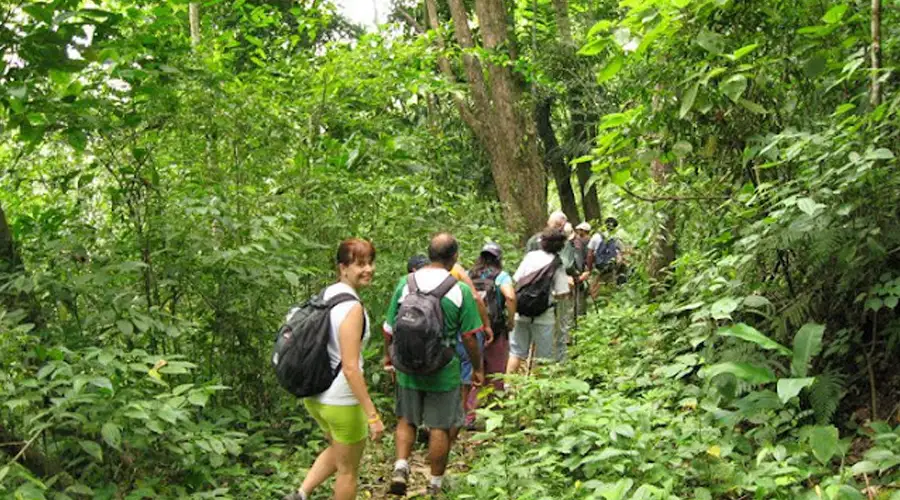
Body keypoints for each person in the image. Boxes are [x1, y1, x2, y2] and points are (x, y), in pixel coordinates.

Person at [384, 233, 484, 496]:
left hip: (407, 367)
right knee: (439, 426)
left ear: (429, 254)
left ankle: (401, 467)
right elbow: (470, 337)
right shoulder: (459, 289)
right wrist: (478, 368)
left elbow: (388, 329)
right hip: (443, 367)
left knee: (406, 419)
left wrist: (390, 358)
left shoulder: (405, 284)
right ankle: (435, 485)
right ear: (454, 258)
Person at [284, 239, 384, 500]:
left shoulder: (325, 296)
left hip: (315, 396)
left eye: (370, 263)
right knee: (347, 471)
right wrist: (372, 415)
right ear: (343, 267)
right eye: (360, 264)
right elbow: (351, 368)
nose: (368, 269)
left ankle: (300, 494)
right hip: (341, 400)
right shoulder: (352, 308)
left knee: (338, 448)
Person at [465, 242, 516, 428]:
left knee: (474, 371)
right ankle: (495, 413)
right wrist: (511, 320)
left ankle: (468, 416)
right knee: (496, 370)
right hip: (495, 328)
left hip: (471, 330)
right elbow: (510, 296)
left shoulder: (468, 274)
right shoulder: (501, 276)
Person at [507, 229, 570, 373]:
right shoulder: (557, 264)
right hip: (543, 316)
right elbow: (562, 293)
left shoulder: (530, 256)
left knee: (516, 352)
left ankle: (507, 387)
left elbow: (516, 279)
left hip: (521, 311)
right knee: (543, 358)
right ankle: (537, 392)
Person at [585, 217, 628, 300]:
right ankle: (611, 303)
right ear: (615, 227)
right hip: (611, 267)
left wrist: (589, 268)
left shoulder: (596, 236)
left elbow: (590, 254)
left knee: (595, 285)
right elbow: (621, 255)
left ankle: (594, 300)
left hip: (598, 266)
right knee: (610, 287)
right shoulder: (616, 238)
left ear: (604, 225)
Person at [574, 222, 592, 317]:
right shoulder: (581, 240)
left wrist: (587, 268)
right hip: (583, 268)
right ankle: (581, 313)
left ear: (584, 231)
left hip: (584, 269)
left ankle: (581, 314)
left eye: (580, 230)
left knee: (582, 292)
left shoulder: (585, 241)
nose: (578, 232)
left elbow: (588, 255)